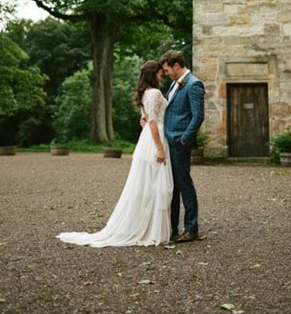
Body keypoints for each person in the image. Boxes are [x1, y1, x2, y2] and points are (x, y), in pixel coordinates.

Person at [56, 60, 173, 247]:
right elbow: (151, 122)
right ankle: (152, 229)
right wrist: (159, 148)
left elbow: (144, 118)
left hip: (148, 139)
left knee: (148, 184)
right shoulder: (155, 93)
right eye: (160, 72)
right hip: (155, 138)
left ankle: (149, 225)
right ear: (153, 73)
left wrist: (145, 121)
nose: (163, 75)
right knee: (156, 184)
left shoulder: (144, 93)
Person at [160, 50, 205, 243]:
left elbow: (198, 115)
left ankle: (191, 228)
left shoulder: (194, 84)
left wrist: (185, 138)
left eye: (167, 69)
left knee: (184, 184)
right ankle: (172, 228)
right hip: (169, 140)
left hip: (179, 142)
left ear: (176, 66)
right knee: (173, 185)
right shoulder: (174, 83)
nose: (167, 73)